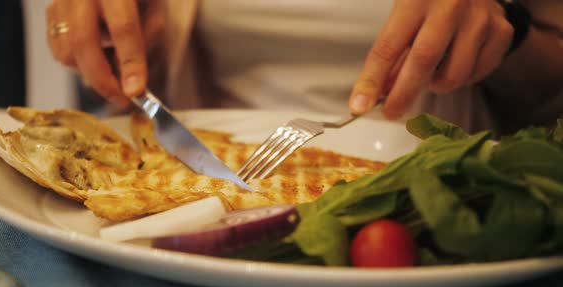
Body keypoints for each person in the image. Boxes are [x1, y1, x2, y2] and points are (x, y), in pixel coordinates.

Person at [45, 0, 563, 134]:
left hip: (427, 214)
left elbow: (550, 88)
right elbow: (141, 42)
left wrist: (507, 31)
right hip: (193, 206)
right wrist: (112, 37)